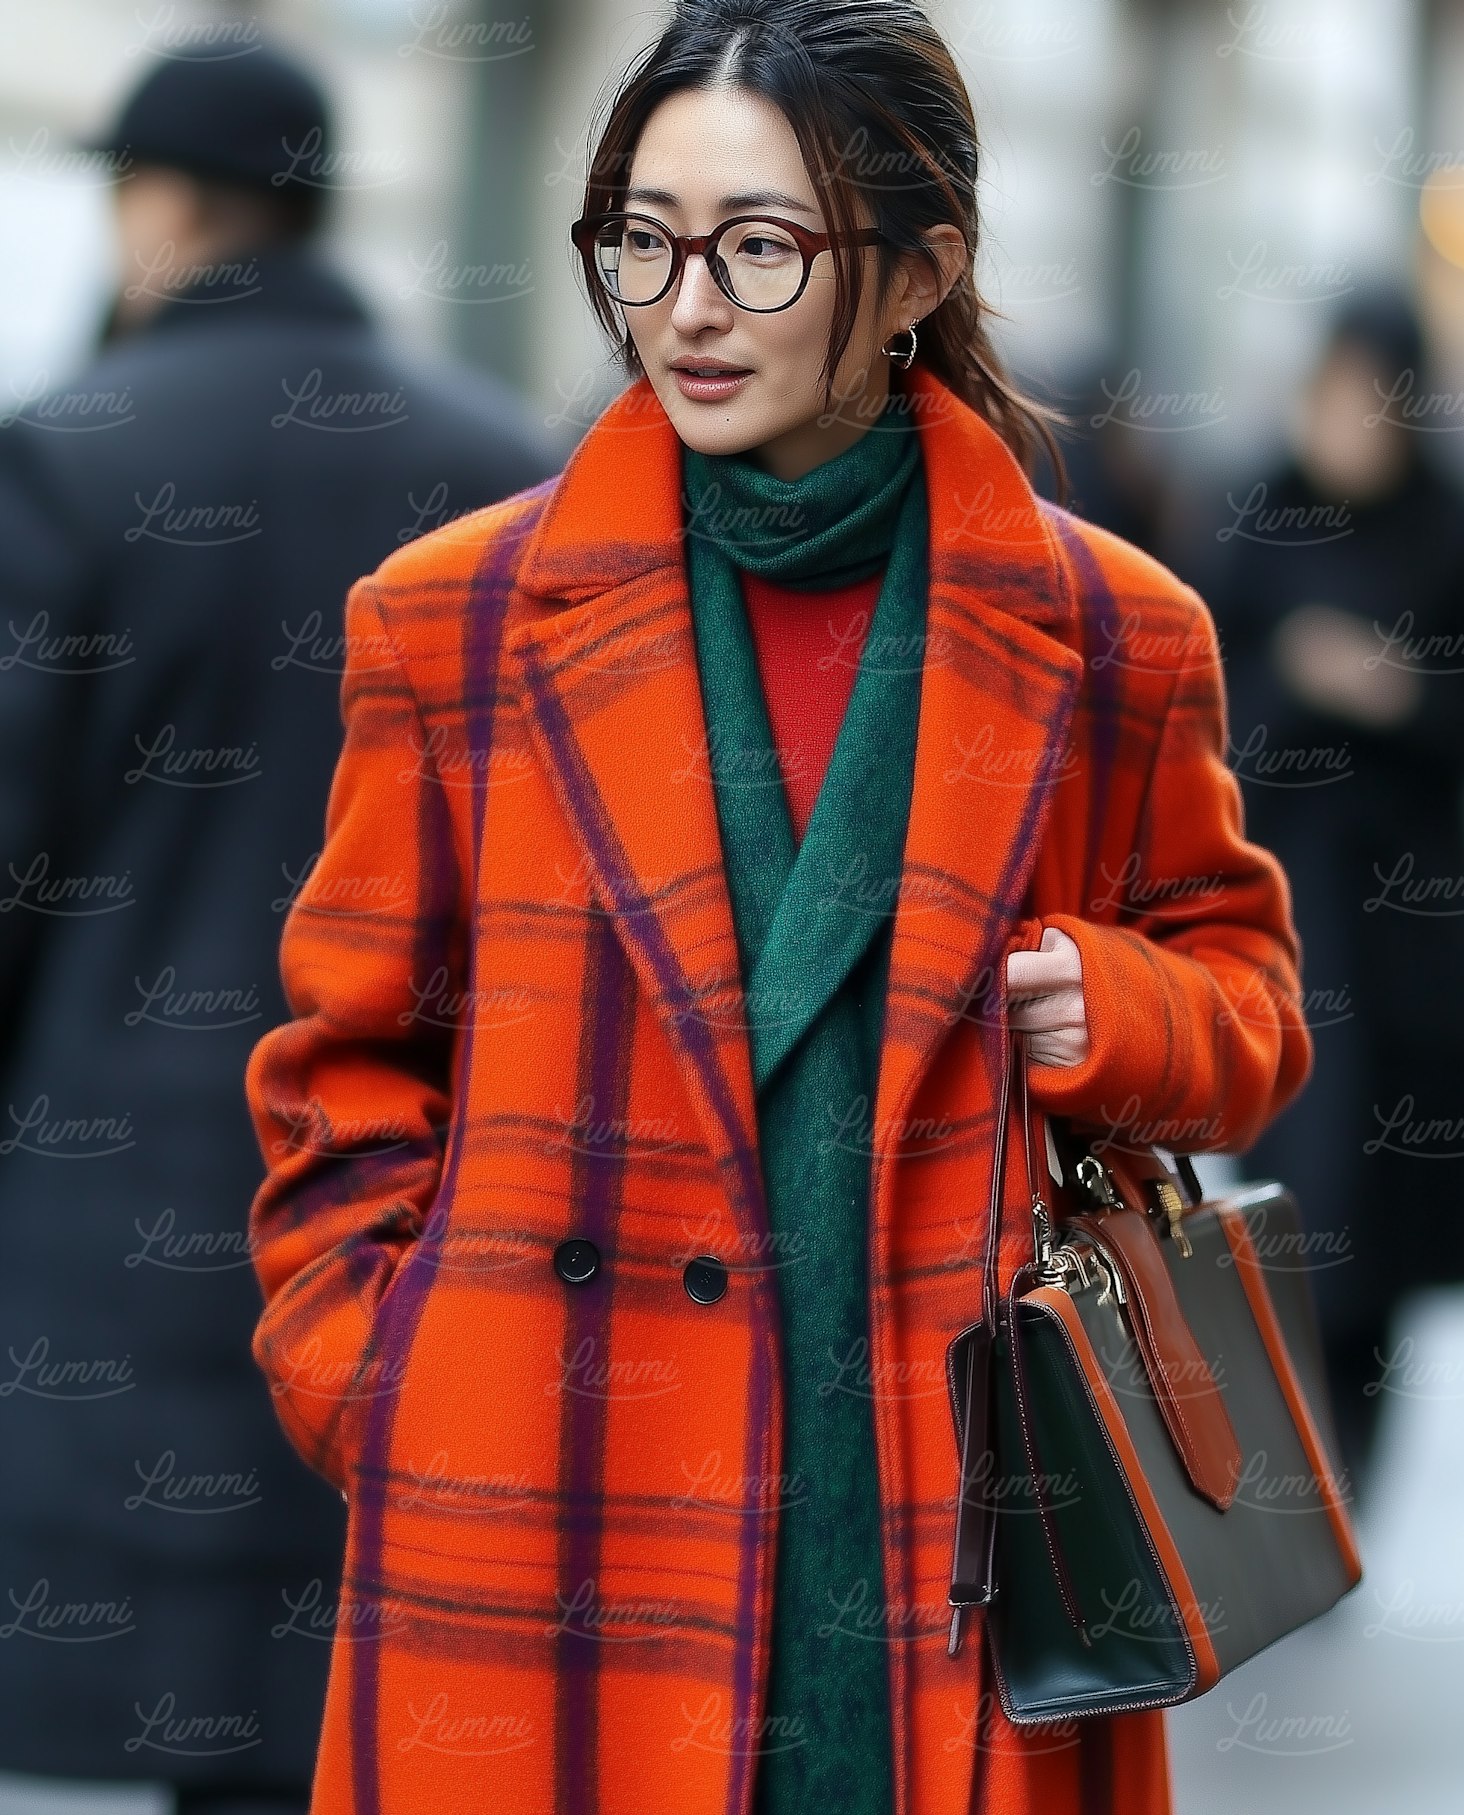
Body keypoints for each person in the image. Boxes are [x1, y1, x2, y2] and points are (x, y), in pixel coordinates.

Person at [243, 4, 1311, 1812]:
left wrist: (1116, 1007)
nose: (686, 305)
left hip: (949, 1534)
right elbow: (341, 1068)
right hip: (552, 1517)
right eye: (641, 240)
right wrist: (398, 1390)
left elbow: (1252, 1012)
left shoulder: (1115, 634)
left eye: (758, 246)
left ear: (917, 272)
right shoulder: (456, 622)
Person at [0, 37, 564, 1815]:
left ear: (160, 208)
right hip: (415, 1214)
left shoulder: (70, 460)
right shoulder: (506, 477)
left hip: (102, 1212)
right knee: (332, 1716)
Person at [1206, 288, 1464, 1498]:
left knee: (1383, 1206)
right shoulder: (1255, 518)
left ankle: (1347, 1459)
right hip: (1286, 908)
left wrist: (1399, 694)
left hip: (1411, 927)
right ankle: (1285, 1458)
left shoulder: (1451, 534)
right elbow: (1199, 706)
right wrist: (1297, 682)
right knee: (1294, 1181)